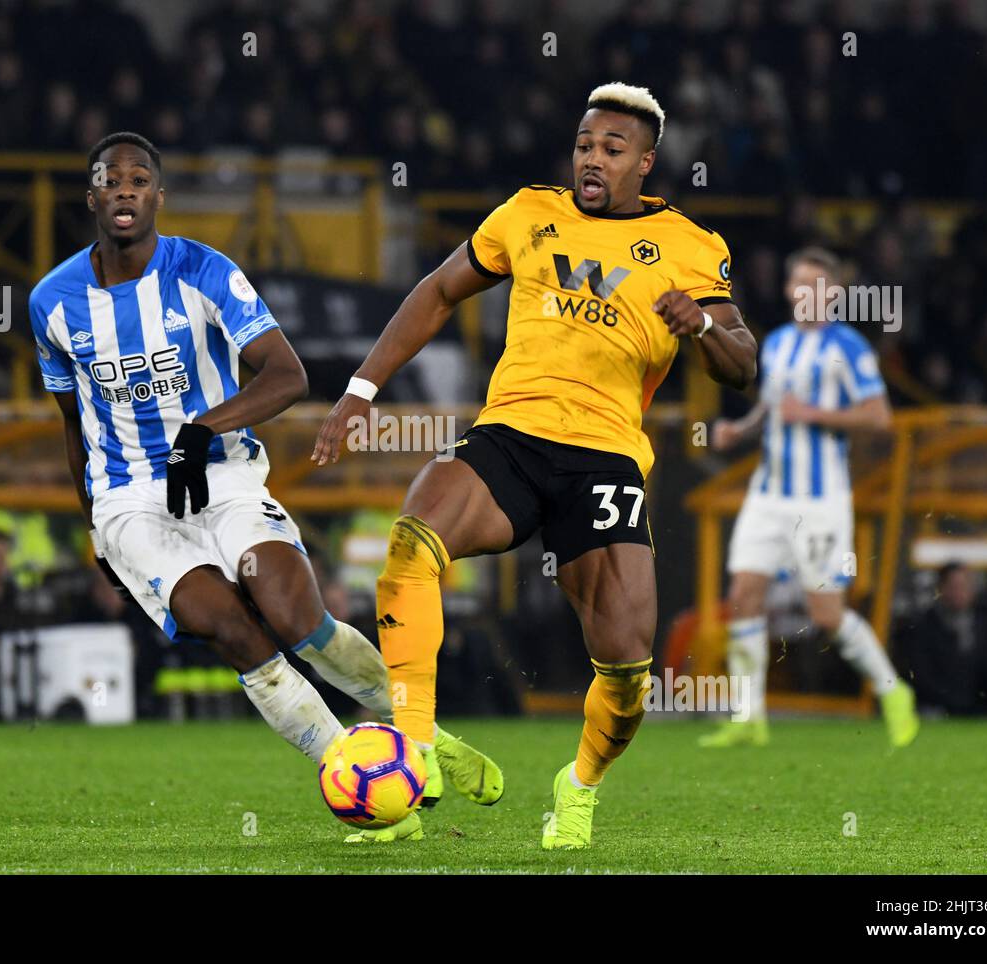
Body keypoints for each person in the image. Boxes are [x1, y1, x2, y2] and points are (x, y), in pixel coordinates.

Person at [313, 83, 758, 849]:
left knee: (625, 669)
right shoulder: (527, 213)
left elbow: (742, 364)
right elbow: (438, 290)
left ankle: (577, 786)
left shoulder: (690, 246)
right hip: (511, 435)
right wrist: (359, 390)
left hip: (605, 457)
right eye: (585, 144)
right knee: (412, 544)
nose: (593, 159)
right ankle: (415, 752)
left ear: (644, 163)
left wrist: (703, 330)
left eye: (612, 150)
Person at [29, 132, 495, 841]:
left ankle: (421, 737)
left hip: (224, 476)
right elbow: (72, 423)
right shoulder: (51, 303)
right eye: (109, 180)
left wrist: (200, 431)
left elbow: (288, 375)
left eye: (138, 179)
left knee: (296, 616)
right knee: (235, 631)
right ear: (92, 198)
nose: (124, 190)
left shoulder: (204, 270)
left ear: (159, 196)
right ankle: (359, 773)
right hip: (130, 501)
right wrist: (95, 523)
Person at [703, 246, 919, 747]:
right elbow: (776, 407)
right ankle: (747, 717)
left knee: (825, 614)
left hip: (819, 501)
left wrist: (816, 416)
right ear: (788, 290)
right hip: (768, 493)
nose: (807, 294)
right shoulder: (775, 344)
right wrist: (742, 428)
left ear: (833, 295)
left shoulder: (849, 347)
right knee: (742, 596)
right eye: (799, 284)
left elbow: (879, 417)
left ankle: (892, 691)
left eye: (817, 286)